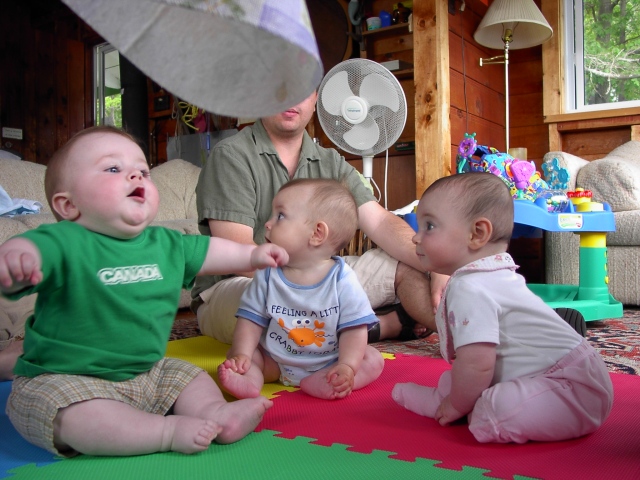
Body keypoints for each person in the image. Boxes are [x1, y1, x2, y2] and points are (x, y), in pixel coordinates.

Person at [0, 126, 289, 457]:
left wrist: (252, 256)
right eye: (113, 168)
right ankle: (164, 432)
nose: (135, 175)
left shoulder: (165, 243)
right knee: (71, 416)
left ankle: (215, 413)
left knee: (187, 375)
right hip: (65, 379)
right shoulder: (62, 241)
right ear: (68, 205)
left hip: (146, 373)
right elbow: (26, 250)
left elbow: (211, 251)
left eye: (143, 170)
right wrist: (16, 262)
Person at [192, 90, 446, 345]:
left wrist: (434, 263)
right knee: (271, 302)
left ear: (315, 100)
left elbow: (379, 221)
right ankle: (381, 326)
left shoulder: (330, 161)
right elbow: (241, 255)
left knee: (406, 266)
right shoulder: (231, 155)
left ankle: (458, 335)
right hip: (240, 286)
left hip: (318, 275)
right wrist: (311, 284)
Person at [392, 172, 614, 443]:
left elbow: (477, 364)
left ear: (477, 234)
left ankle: (459, 405)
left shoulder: (471, 286)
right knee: (460, 380)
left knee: (491, 408)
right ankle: (444, 398)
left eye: (429, 226)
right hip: (560, 379)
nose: (416, 238)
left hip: (573, 391)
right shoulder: (488, 275)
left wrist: (458, 405)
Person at [218, 179, 384, 400]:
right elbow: (250, 320)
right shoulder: (267, 274)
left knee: (372, 359)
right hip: (274, 361)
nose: (267, 224)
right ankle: (250, 379)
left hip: (330, 362)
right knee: (241, 354)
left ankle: (333, 381)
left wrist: (346, 366)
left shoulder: (342, 279)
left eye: (280, 216)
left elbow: (354, 330)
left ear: (317, 233)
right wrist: (242, 354)